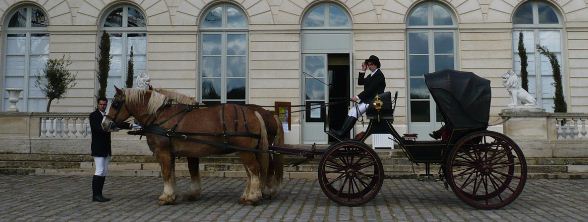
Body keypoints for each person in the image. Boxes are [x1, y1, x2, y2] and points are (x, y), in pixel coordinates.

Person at [331, 55, 386, 139]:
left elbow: (370, 90)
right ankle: (341, 132)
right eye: (368, 64)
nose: (369, 66)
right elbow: (360, 82)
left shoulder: (379, 75)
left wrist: (357, 97)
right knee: (352, 111)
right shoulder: (371, 75)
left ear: (375, 65)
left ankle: (341, 133)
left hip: (374, 102)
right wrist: (363, 70)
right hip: (368, 101)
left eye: (370, 64)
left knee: (354, 112)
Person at [89, 97, 129, 202]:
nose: (103, 106)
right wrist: (113, 128)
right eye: (101, 104)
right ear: (98, 104)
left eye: (104, 104)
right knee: (99, 170)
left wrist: (131, 126)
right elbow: (99, 129)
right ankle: (95, 195)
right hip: (98, 147)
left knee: (104, 171)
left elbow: (119, 123)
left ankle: (99, 194)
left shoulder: (107, 116)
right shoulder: (93, 115)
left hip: (106, 148)